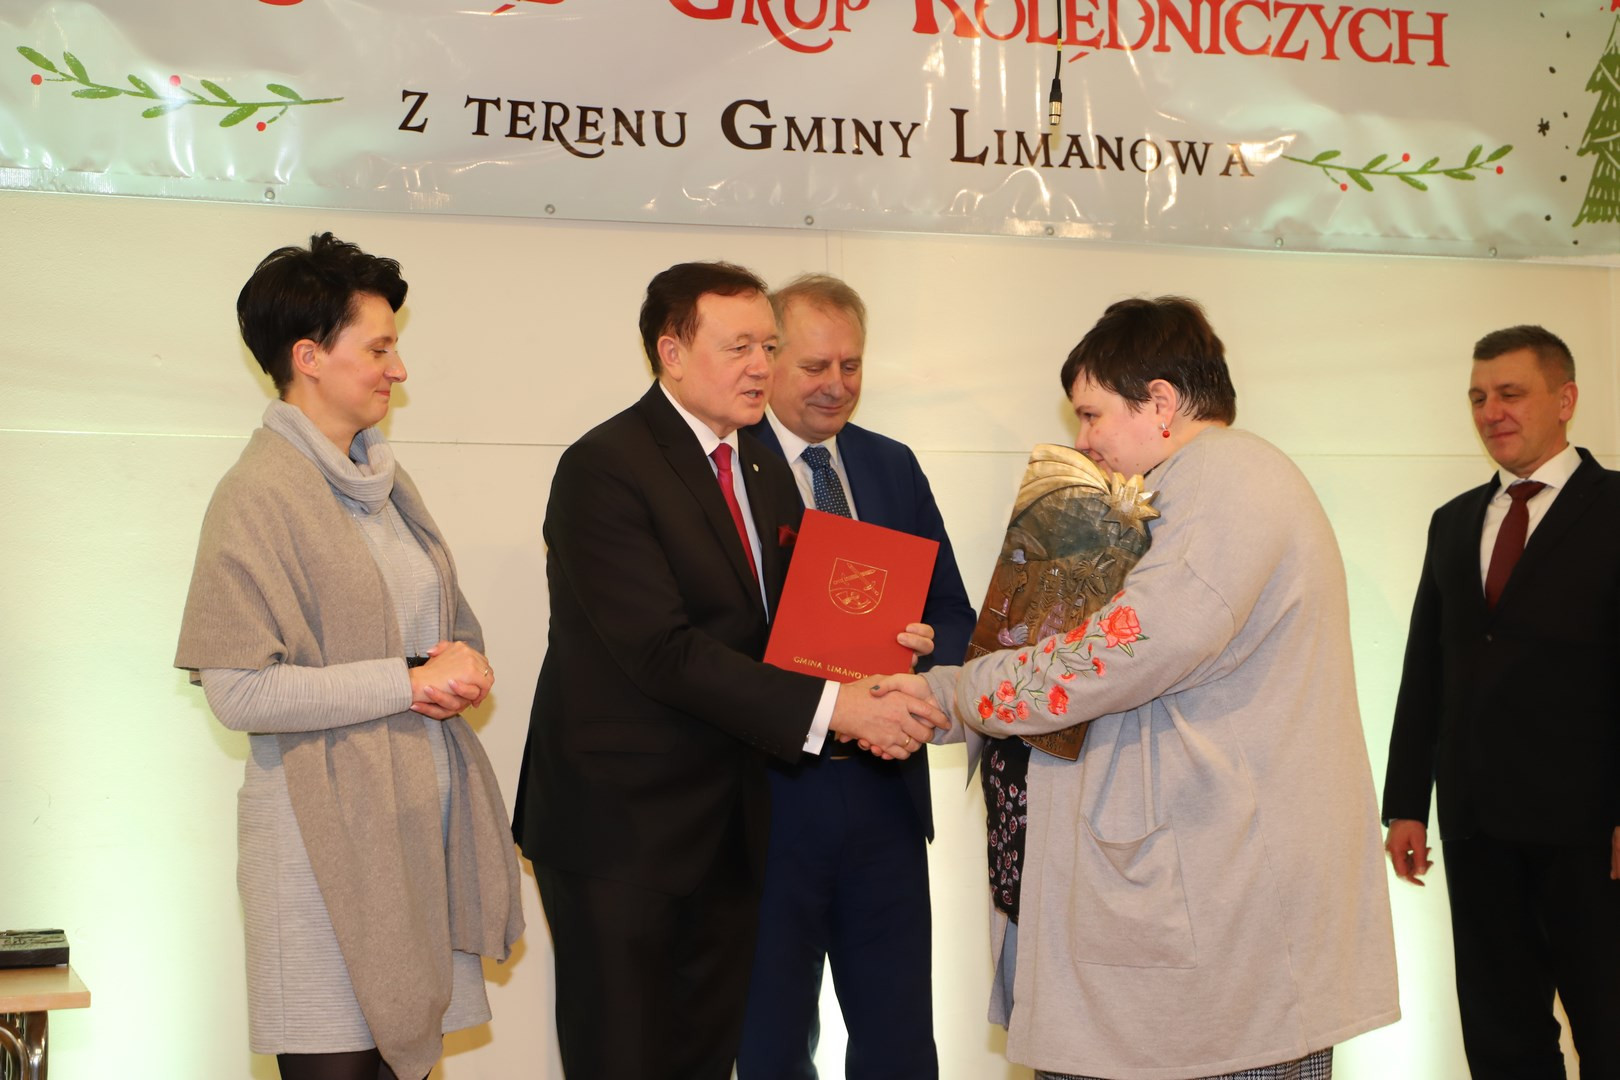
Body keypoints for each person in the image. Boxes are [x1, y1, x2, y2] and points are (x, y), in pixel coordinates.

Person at [884, 296, 1399, 1080]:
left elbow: (1124, 652)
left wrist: (958, 695)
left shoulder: (1229, 476)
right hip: (1192, 900)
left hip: (1221, 908)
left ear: (1161, 402)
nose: (1083, 440)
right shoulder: (1187, 484)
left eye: (1092, 415)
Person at [509, 260, 950, 1080]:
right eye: (739, 347)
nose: (760, 366)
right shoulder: (604, 466)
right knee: (627, 1060)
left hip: (730, 825)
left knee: (712, 1058)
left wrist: (883, 654)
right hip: (625, 834)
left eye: (768, 346)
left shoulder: (756, 465)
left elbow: (786, 633)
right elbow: (662, 651)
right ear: (672, 353)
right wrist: (839, 707)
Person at [174, 233, 524, 1080]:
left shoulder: (388, 485)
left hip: (412, 837)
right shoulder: (255, 495)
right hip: (320, 856)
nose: (398, 369)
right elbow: (239, 691)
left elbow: (444, 631)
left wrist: (460, 666)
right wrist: (407, 682)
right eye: (378, 348)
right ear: (308, 358)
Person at [737, 274, 977, 1080]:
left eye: (852, 365)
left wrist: (923, 653)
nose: (836, 385)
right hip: (772, 792)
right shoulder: (728, 465)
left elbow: (956, 614)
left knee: (900, 1039)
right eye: (814, 366)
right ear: (769, 361)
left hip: (884, 791)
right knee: (770, 1040)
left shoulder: (890, 465)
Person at [1382, 325, 1620, 1079]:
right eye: (1479, 397)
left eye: (1511, 394)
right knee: (1501, 1039)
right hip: (1478, 825)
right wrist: (1406, 805)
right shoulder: (1453, 522)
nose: (1492, 412)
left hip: (1593, 833)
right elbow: (1426, 669)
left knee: (1612, 1030)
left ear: (1565, 398)